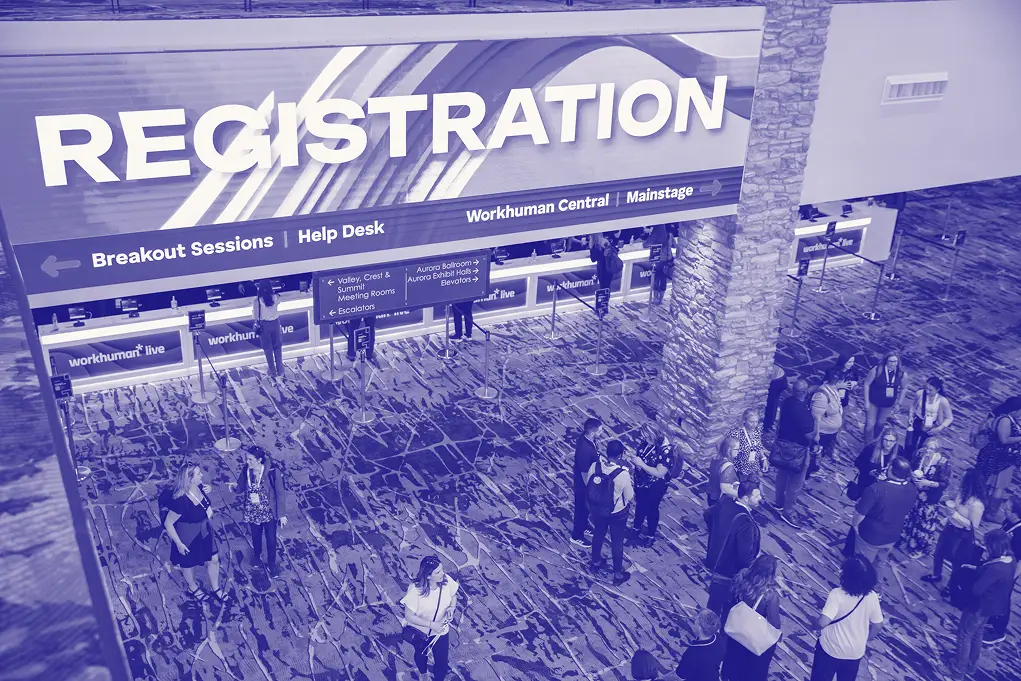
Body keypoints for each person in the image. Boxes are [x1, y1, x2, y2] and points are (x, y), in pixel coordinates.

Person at [950, 529, 1015, 677]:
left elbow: (977, 589)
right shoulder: (1011, 559)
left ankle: (959, 668)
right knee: (977, 634)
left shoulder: (995, 567)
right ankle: (972, 666)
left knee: (964, 635)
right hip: (991, 606)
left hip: (979, 606)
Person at [809, 556, 884, 681]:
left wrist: (813, 624)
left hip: (830, 649)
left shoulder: (837, 594)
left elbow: (823, 622)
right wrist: (864, 639)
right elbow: (877, 626)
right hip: (855, 652)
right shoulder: (872, 597)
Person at [162, 463, 227, 603]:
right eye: (198, 474)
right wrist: (178, 543)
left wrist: (209, 489)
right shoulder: (181, 501)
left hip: (204, 530)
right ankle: (193, 587)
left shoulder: (199, 487)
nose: (202, 475)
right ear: (190, 479)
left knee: (214, 560)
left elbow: (204, 504)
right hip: (188, 535)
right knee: (188, 563)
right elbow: (168, 523)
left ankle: (215, 588)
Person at [849, 457, 917, 580]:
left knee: (861, 566)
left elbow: (860, 513)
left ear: (891, 469)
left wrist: (855, 525)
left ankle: (857, 590)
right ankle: (877, 589)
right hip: (892, 535)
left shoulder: (876, 489)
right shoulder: (912, 488)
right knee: (879, 564)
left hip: (871, 535)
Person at [704, 481, 762, 616]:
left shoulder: (725, 502)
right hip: (728, 571)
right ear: (746, 499)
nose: (760, 498)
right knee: (724, 606)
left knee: (713, 603)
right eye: (756, 496)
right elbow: (744, 557)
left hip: (715, 561)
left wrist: (715, 538)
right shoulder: (746, 522)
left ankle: (707, 624)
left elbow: (708, 515)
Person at [721, 554, 782, 681]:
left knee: (733, 662)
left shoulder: (741, 578)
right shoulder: (770, 596)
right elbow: (774, 622)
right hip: (752, 639)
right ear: (771, 573)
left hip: (736, 630)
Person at [228, 447, 288, 575]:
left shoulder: (273, 472)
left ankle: (271, 563)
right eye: (247, 459)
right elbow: (241, 487)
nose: (247, 462)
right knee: (256, 536)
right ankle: (257, 556)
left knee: (271, 539)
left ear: (259, 460)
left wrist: (281, 514)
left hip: (268, 511)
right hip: (252, 510)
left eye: (250, 459)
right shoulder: (246, 470)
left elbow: (280, 494)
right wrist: (234, 488)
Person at [923, 468, 987, 585]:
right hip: (950, 527)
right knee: (938, 553)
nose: (960, 480)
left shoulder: (977, 504)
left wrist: (955, 515)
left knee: (956, 561)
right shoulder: (962, 493)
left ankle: (951, 585)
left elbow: (974, 525)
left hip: (961, 535)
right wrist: (948, 518)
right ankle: (936, 574)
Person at [401, 556, 458, 681]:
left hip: (441, 632)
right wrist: (431, 625)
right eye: (438, 572)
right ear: (428, 576)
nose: (443, 573)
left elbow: (453, 595)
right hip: (422, 632)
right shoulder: (415, 591)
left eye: (442, 569)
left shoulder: (446, 581)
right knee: (421, 655)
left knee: (442, 664)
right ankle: (423, 673)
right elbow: (409, 616)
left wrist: (452, 608)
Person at [586, 440, 635, 586]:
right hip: (617, 513)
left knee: (598, 534)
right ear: (620, 455)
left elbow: (589, 483)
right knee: (617, 541)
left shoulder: (595, 466)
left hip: (598, 510)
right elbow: (629, 496)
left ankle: (595, 563)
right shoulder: (623, 474)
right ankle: (617, 574)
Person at [897, 437, 951, 559]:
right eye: (926, 447)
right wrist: (913, 478)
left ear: (937, 450)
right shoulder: (919, 454)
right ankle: (905, 540)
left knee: (923, 523)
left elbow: (944, 484)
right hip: (915, 493)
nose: (927, 450)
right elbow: (911, 468)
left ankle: (919, 548)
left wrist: (928, 483)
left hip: (930, 498)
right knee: (910, 518)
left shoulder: (942, 463)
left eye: (931, 448)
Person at [772, 379, 815, 528]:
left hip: (783, 445)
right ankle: (788, 512)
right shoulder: (803, 412)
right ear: (804, 392)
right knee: (795, 483)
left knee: (782, 476)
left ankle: (778, 503)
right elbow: (810, 435)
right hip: (798, 451)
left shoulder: (787, 402)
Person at [629, 423, 674, 547]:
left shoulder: (665, 450)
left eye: (648, 437)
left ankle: (650, 535)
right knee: (640, 505)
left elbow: (660, 473)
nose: (645, 440)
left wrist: (642, 464)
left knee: (651, 509)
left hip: (655, 486)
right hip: (641, 482)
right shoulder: (647, 441)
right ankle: (636, 528)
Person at [984, 496, 1021, 644]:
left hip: (1009, 571)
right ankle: (991, 619)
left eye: (1007, 509)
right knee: (994, 595)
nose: (1003, 510)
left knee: (1003, 599)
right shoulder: (1007, 522)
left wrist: (1011, 577)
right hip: (998, 564)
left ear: (1014, 513)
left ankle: (999, 631)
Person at [975, 404, 1021, 523]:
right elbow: (1004, 439)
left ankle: (981, 508)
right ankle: (990, 513)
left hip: (998, 458)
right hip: (1000, 460)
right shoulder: (1005, 420)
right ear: (1015, 410)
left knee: (988, 483)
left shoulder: (1008, 419)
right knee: (998, 486)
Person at [862, 353, 907, 443]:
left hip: (888, 404)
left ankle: (875, 438)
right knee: (870, 424)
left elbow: (903, 388)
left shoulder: (901, 374)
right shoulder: (877, 370)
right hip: (873, 401)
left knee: (880, 423)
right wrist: (866, 401)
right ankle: (868, 442)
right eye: (891, 361)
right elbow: (866, 384)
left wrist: (899, 403)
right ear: (886, 361)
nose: (893, 364)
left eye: (895, 361)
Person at [849, 426, 903, 501]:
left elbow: (901, 470)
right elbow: (858, 462)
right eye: (886, 440)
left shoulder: (899, 452)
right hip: (867, 482)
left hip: (885, 486)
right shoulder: (871, 448)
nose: (888, 443)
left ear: (896, 441)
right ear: (881, 439)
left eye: (891, 441)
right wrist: (870, 472)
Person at [809, 368, 846, 477]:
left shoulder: (833, 389)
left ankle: (814, 467)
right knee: (815, 453)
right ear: (837, 381)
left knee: (821, 452)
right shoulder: (822, 395)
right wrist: (816, 435)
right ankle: (808, 471)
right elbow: (816, 417)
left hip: (830, 431)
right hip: (822, 432)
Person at [571, 418, 602, 547]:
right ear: (593, 432)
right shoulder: (585, 449)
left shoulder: (588, 440)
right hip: (583, 484)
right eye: (600, 430)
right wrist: (591, 489)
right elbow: (584, 472)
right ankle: (577, 535)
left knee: (585, 508)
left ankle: (584, 526)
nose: (602, 432)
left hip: (587, 479)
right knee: (581, 509)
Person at [904, 376, 953, 457]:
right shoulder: (919, 394)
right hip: (917, 420)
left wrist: (939, 428)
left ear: (937, 390)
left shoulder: (942, 401)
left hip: (931, 425)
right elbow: (912, 406)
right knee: (910, 444)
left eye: (931, 390)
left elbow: (949, 418)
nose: (927, 391)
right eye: (926, 388)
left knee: (924, 447)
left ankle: (918, 463)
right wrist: (910, 416)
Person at [676, 610, 726, 681]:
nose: (695, 620)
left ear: (700, 628)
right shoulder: (719, 638)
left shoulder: (692, 653)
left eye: (697, 619)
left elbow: (681, 674)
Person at [725, 409, 769, 486]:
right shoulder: (736, 433)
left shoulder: (757, 430)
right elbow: (726, 447)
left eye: (756, 422)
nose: (754, 425)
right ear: (744, 420)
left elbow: (758, 445)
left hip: (753, 466)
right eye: (751, 422)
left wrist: (763, 458)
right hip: (739, 469)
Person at [253, 280, 284, 378]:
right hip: (275, 323)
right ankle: (280, 370)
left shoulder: (257, 301)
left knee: (268, 349)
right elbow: (281, 297)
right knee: (277, 347)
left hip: (264, 325)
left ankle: (272, 371)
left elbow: (255, 316)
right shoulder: (276, 298)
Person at [707, 436, 740, 507]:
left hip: (710, 494)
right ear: (729, 450)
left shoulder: (715, 458)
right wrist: (740, 494)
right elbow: (725, 489)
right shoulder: (728, 466)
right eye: (736, 449)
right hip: (718, 500)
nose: (738, 452)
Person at [762, 364, 789, 434]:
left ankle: (768, 425)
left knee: (772, 403)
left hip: (778, 381)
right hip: (780, 377)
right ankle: (768, 423)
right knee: (772, 402)